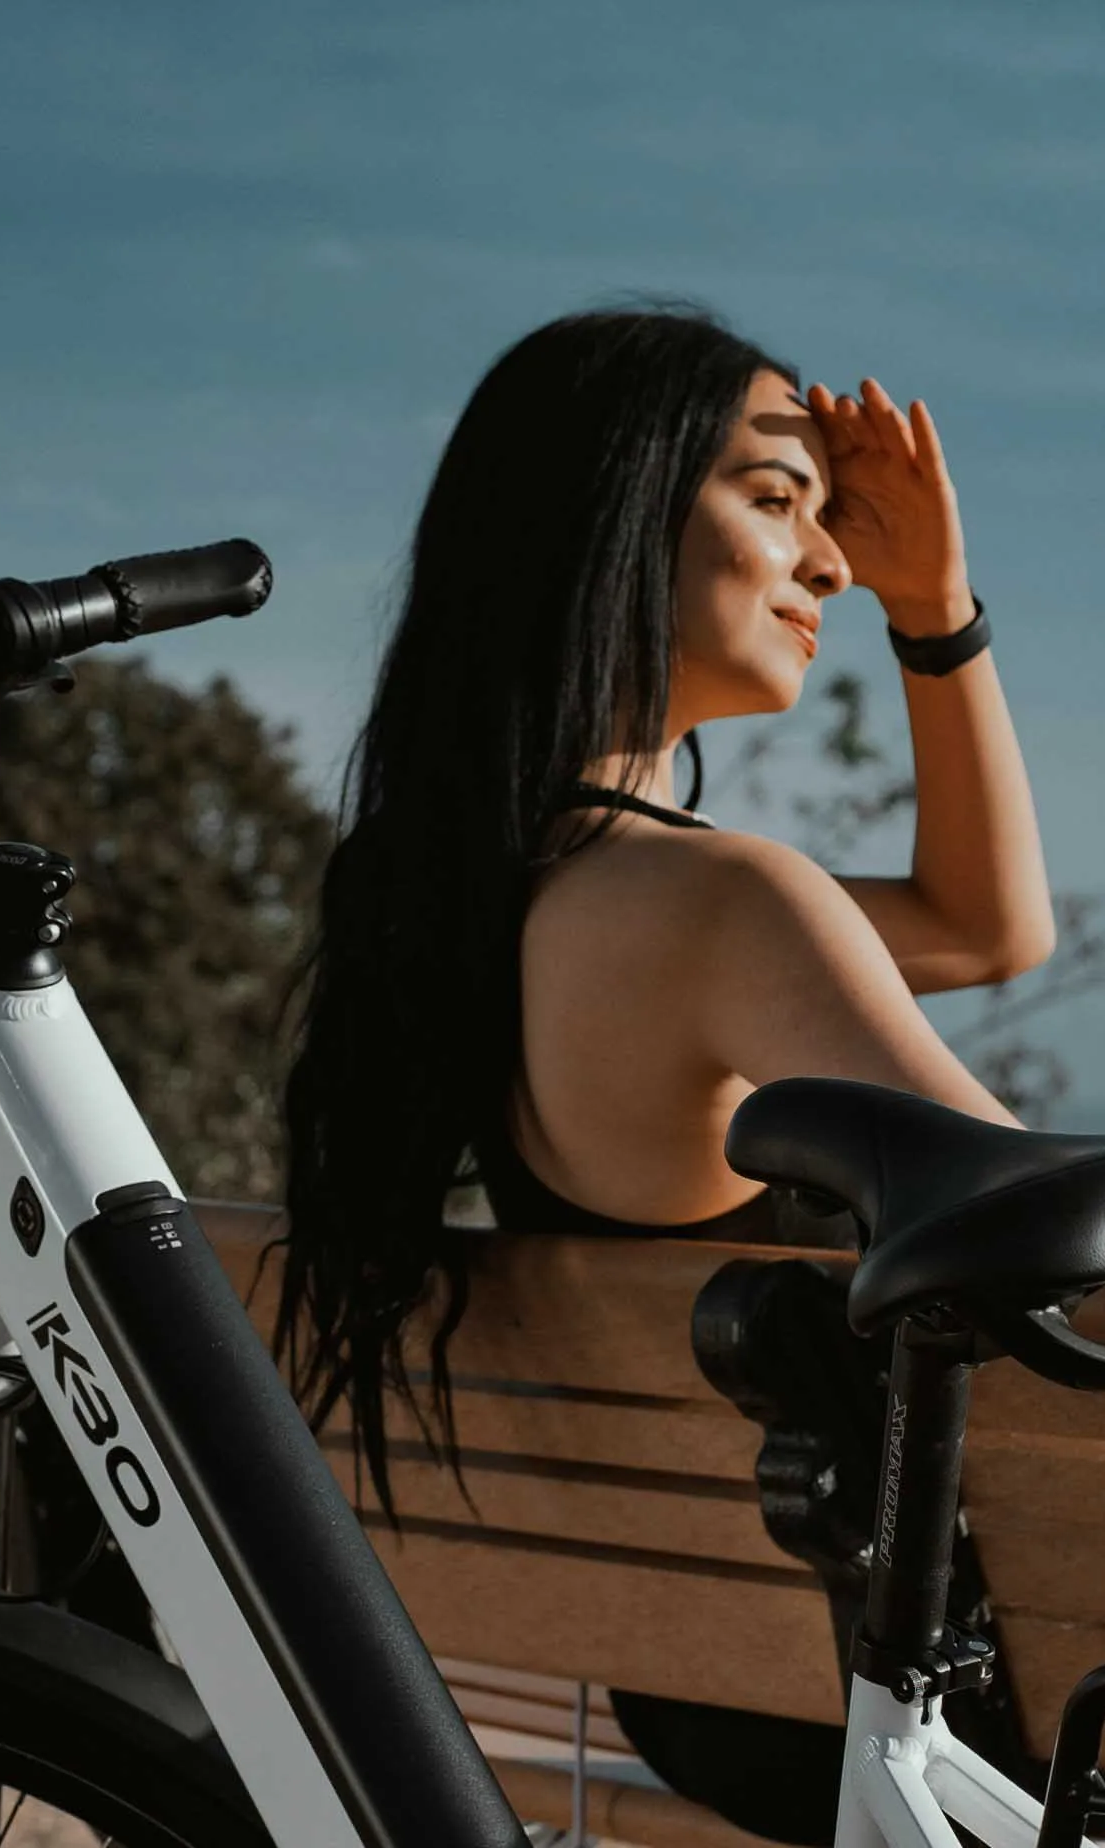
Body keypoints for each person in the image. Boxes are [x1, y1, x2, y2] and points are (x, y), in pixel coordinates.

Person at [274, 304, 1054, 1843]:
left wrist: (933, 604)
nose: (829, 564)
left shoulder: (464, 894)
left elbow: (982, 927)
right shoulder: (717, 906)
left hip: (716, 1679)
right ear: (617, 522)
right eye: (777, 503)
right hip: (912, 1676)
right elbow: (1051, 1244)